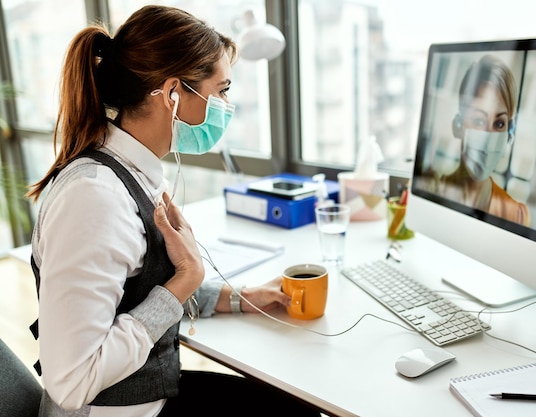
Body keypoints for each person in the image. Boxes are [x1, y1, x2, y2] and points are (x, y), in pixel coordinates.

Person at [26, 5, 320, 416]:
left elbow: (139, 287)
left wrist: (241, 297)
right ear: (173, 94)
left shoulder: (136, 169)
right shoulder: (94, 200)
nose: (225, 105)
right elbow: (71, 381)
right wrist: (184, 281)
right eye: (221, 90)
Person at [423, 54, 530, 226]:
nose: (488, 137)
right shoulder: (432, 192)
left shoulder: (516, 215)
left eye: (499, 123)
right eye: (479, 120)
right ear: (458, 126)